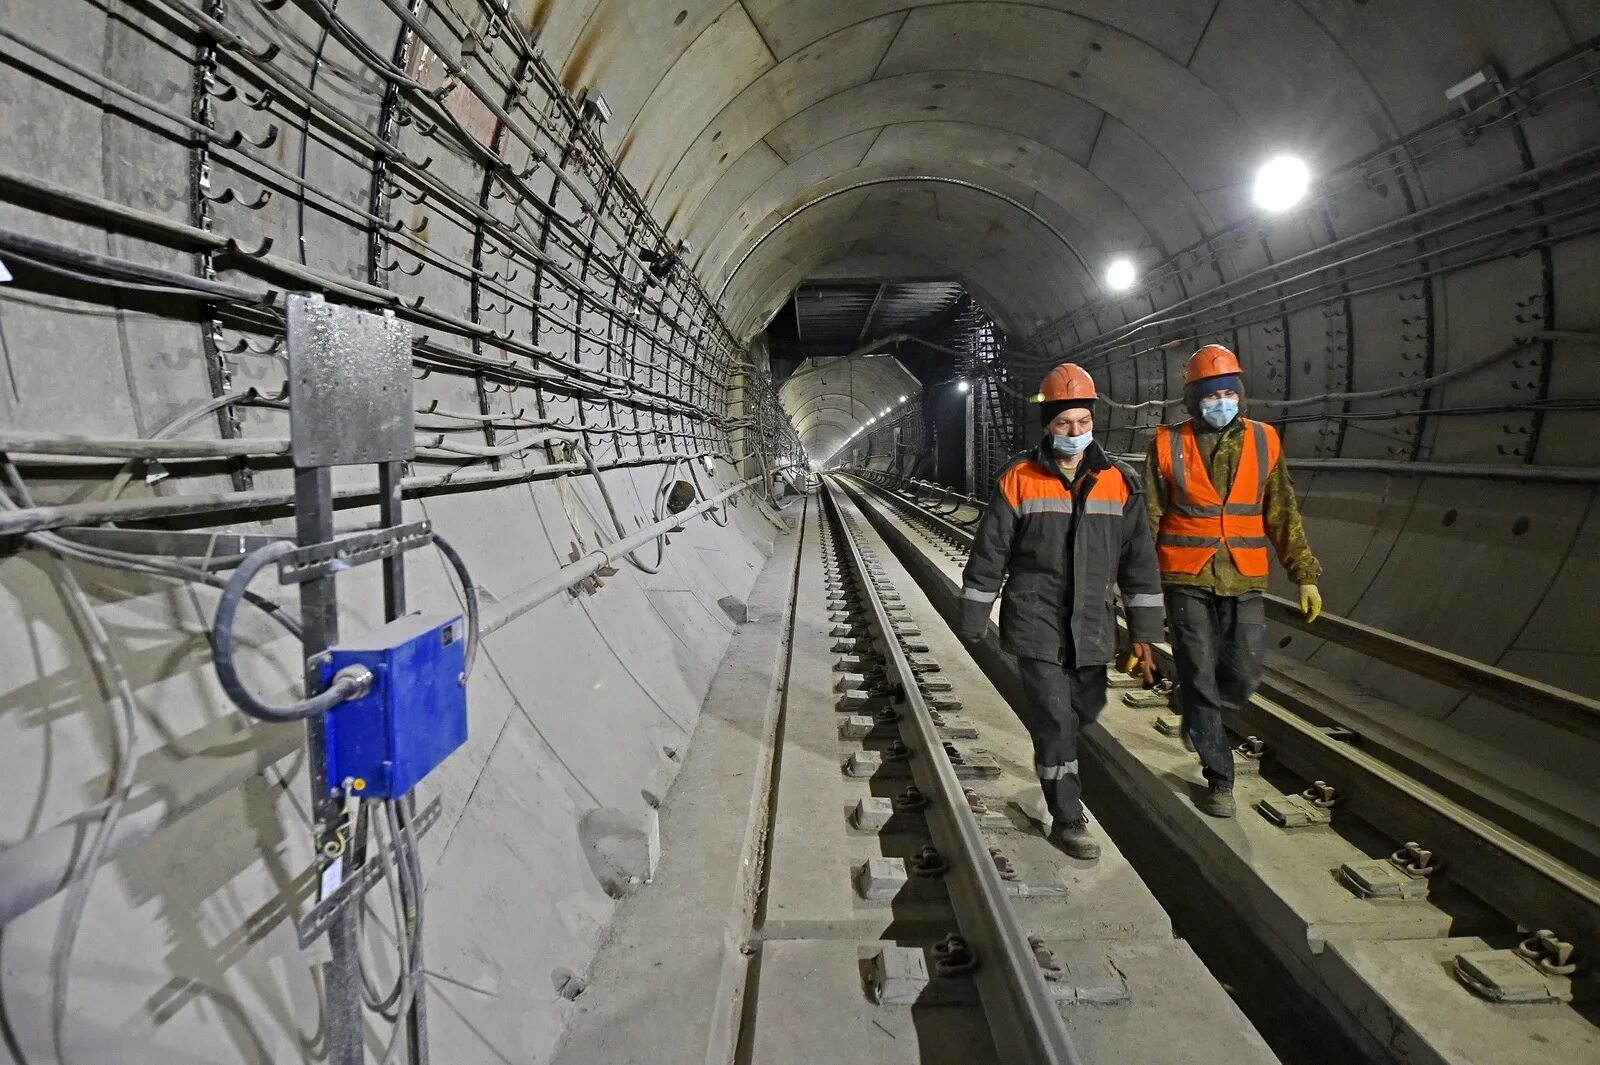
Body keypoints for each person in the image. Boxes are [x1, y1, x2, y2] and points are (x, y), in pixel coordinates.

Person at [957, 363, 1164, 860]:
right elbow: (990, 553)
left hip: (1092, 625)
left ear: (1093, 423)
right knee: (1054, 719)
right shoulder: (1019, 479)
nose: (1074, 433)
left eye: (1082, 423)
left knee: (1084, 711)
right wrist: (972, 617)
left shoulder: (1121, 482)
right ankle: (1067, 816)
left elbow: (1139, 560)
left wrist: (1144, 632)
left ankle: (1062, 766)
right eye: (1063, 424)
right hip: (1036, 619)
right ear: (1047, 426)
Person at [1145, 344, 1323, 818]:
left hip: (1243, 576)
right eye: (1210, 395)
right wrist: (1136, 584)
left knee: (1241, 674)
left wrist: (1304, 575)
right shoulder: (1166, 443)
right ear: (1193, 399)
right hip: (1184, 576)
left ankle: (1197, 707)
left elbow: (1282, 511)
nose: (1220, 402)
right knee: (1201, 673)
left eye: (1228, 393)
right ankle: (1220, 777)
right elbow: (1148, 516)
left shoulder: (1265, 441)